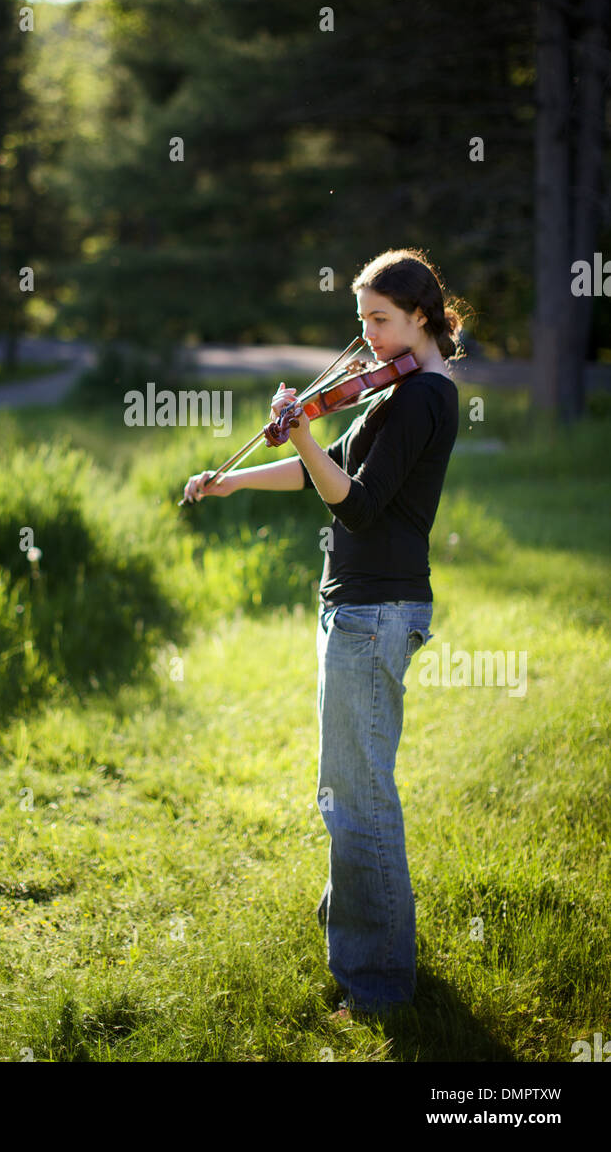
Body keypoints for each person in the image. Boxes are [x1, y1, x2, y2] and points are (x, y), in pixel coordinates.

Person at [182, 247, 468, 1018]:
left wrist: (298, 424)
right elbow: (327, 467)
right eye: (361, 322)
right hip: (358, 609)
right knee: (348, 789)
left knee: (359, 800)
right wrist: (231, 478)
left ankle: (376, 988)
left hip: (376, 615)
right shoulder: (394, 392)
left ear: (422, 315)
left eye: (381, 319)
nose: (369, 337)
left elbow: (359, 504)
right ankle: (358, 931)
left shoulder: (422, 399)